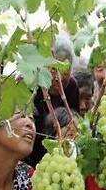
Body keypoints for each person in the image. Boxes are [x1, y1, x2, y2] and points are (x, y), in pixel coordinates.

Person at [31, 39, 80, 167]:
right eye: (54, 70)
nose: (61, 77)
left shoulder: (72, 87)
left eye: (66, 71)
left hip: (61, 159)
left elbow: (74, 120)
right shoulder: (32, 85)